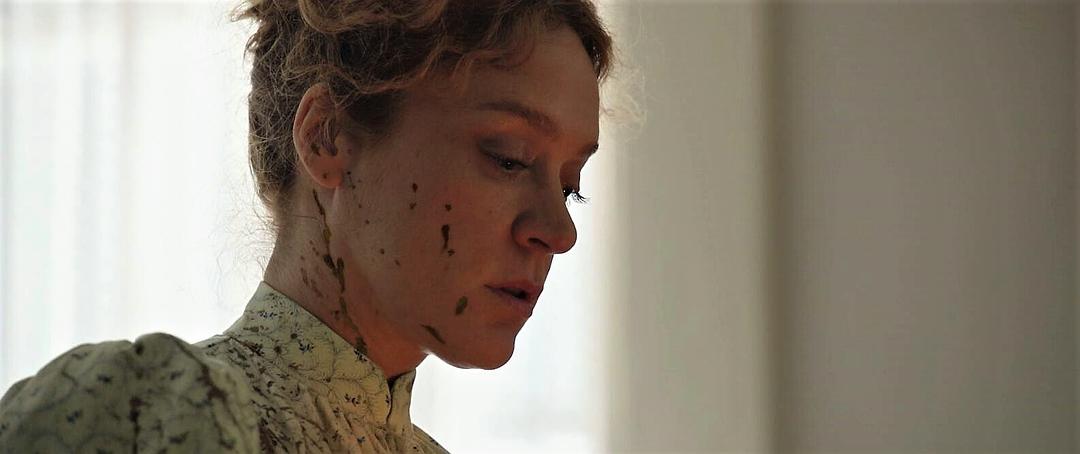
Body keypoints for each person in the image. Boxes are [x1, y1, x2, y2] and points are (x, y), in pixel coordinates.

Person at [0, 0, 614, 452]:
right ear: (327, 137)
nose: (561, 233)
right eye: (509, 158)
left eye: (571, 186)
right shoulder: (141, 418)